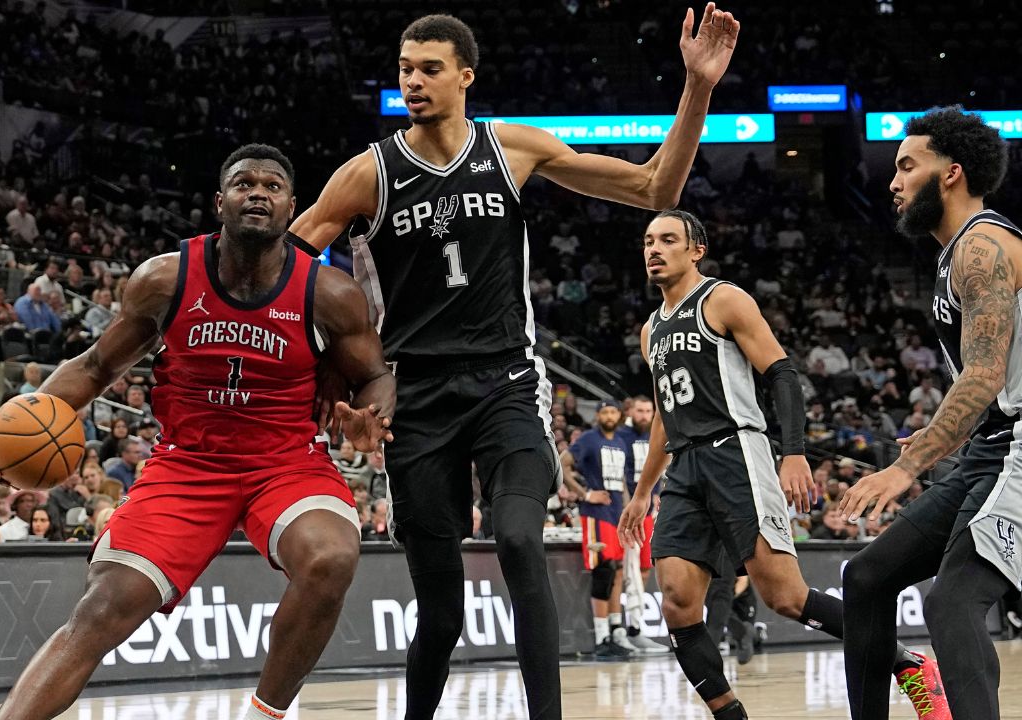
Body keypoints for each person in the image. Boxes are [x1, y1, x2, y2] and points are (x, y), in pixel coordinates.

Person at [289, 8, 739, 716]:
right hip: (415, 394)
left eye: (430, 69)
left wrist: (697, 87)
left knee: (521, 540)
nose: (414, 81)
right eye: (406, 69)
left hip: (506, 383)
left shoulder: (512, 148)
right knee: (440, 611)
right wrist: (322, 362)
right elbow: (290, 263)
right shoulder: (367, 173)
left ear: (465, 77)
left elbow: (655, 189)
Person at [0, 144, 395, 720]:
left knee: (330, 559)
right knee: (100, 609)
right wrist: (20, 420)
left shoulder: (330, 293)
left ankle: (265, 713)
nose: (257, 192)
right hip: (187, 465)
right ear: (218, 201)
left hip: (287, 461)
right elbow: (97, 366)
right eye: (243, 183)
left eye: (272, 187)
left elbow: (375, 376)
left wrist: (369, 416)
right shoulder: (164, 279)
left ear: (291, 206)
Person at [617, 211, 941, 720]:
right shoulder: (650, 328)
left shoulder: (723, 299)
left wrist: (794, 452)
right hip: (683, 467)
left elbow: (784, 375)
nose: (653, 249)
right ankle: (731, 715)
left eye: (667, 240)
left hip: (735, 454)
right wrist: (641, 493)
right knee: (677, 601)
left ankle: (905, 661)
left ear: (695, 249)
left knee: (785, 598)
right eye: (647, 241)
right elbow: (664, 414)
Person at [839, 107, 1014, 719]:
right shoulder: (952, 256)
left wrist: (906, 466)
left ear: (952, 173)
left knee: (951, 602)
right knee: (865, 578)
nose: (893, 181)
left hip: (1017, 450)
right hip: (992, 446)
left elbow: (986, 373)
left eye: (907, 166)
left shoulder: (983, 247)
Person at [564, 401, 634, 659]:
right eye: (604, 412)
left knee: (616, 573)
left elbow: (624, 483)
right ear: (597, 416)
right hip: (595, 515)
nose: (609, 416)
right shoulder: (588, 439)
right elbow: (562, 464)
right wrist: (586, 494)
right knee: (603, 571)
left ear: (619, 415)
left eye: (613, 411)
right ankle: (602, 636)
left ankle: (617, 631)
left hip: (616, 515)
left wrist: (628, 509)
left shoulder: (621, 441)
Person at [616, 395, 668, 653]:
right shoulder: (620, 436)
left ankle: (636, 626)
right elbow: (620, 475)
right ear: (630, 411)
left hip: (650, 512)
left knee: (645, 567)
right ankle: (631, 629)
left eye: (649, 411)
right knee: (629, 571)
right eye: (640, 410)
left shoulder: (655, 435)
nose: (645, 415)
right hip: (629, 510)